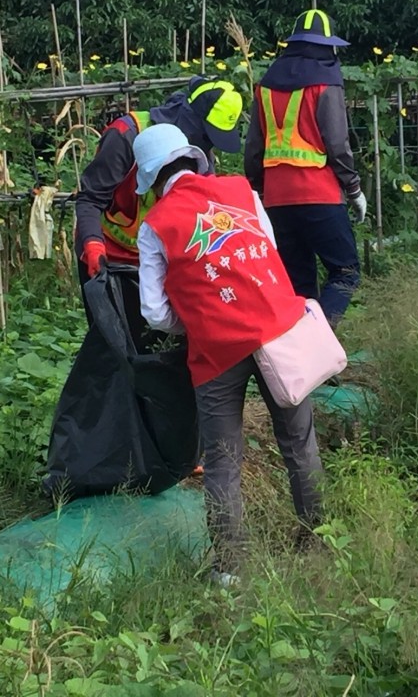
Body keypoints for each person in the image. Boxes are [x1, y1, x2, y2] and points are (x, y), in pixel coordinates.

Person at [134, 123, 324, 577]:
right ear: (190, 160)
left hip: (216, 350)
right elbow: (270, 255)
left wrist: (199, 319)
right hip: (278, 330)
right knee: (298, 439)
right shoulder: (243, 191)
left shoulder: (155, 225)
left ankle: (230, 568)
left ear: (153, 179)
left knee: (222, 457)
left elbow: (155, 313)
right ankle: (320, 541)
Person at [75, 77, 243, 343]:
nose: (207, 148)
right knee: (113, 347)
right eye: (206, 136)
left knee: (162, 348)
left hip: (160, 262)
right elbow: (89, 200)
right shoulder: (126, 136)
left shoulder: (199, 155)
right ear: (191, 120)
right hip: (109, 257)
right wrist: (93, 245)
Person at [244, 9, 366, 329]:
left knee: (299, 285)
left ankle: (302, 362)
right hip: (319, 193)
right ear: (327, 48)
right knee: (346, 271)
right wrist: (353, 189)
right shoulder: (327, 83)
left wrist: (258, 188)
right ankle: (319, 340)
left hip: (277, 200)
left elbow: (254, 147)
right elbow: (337, 145)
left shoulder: (266, 84)